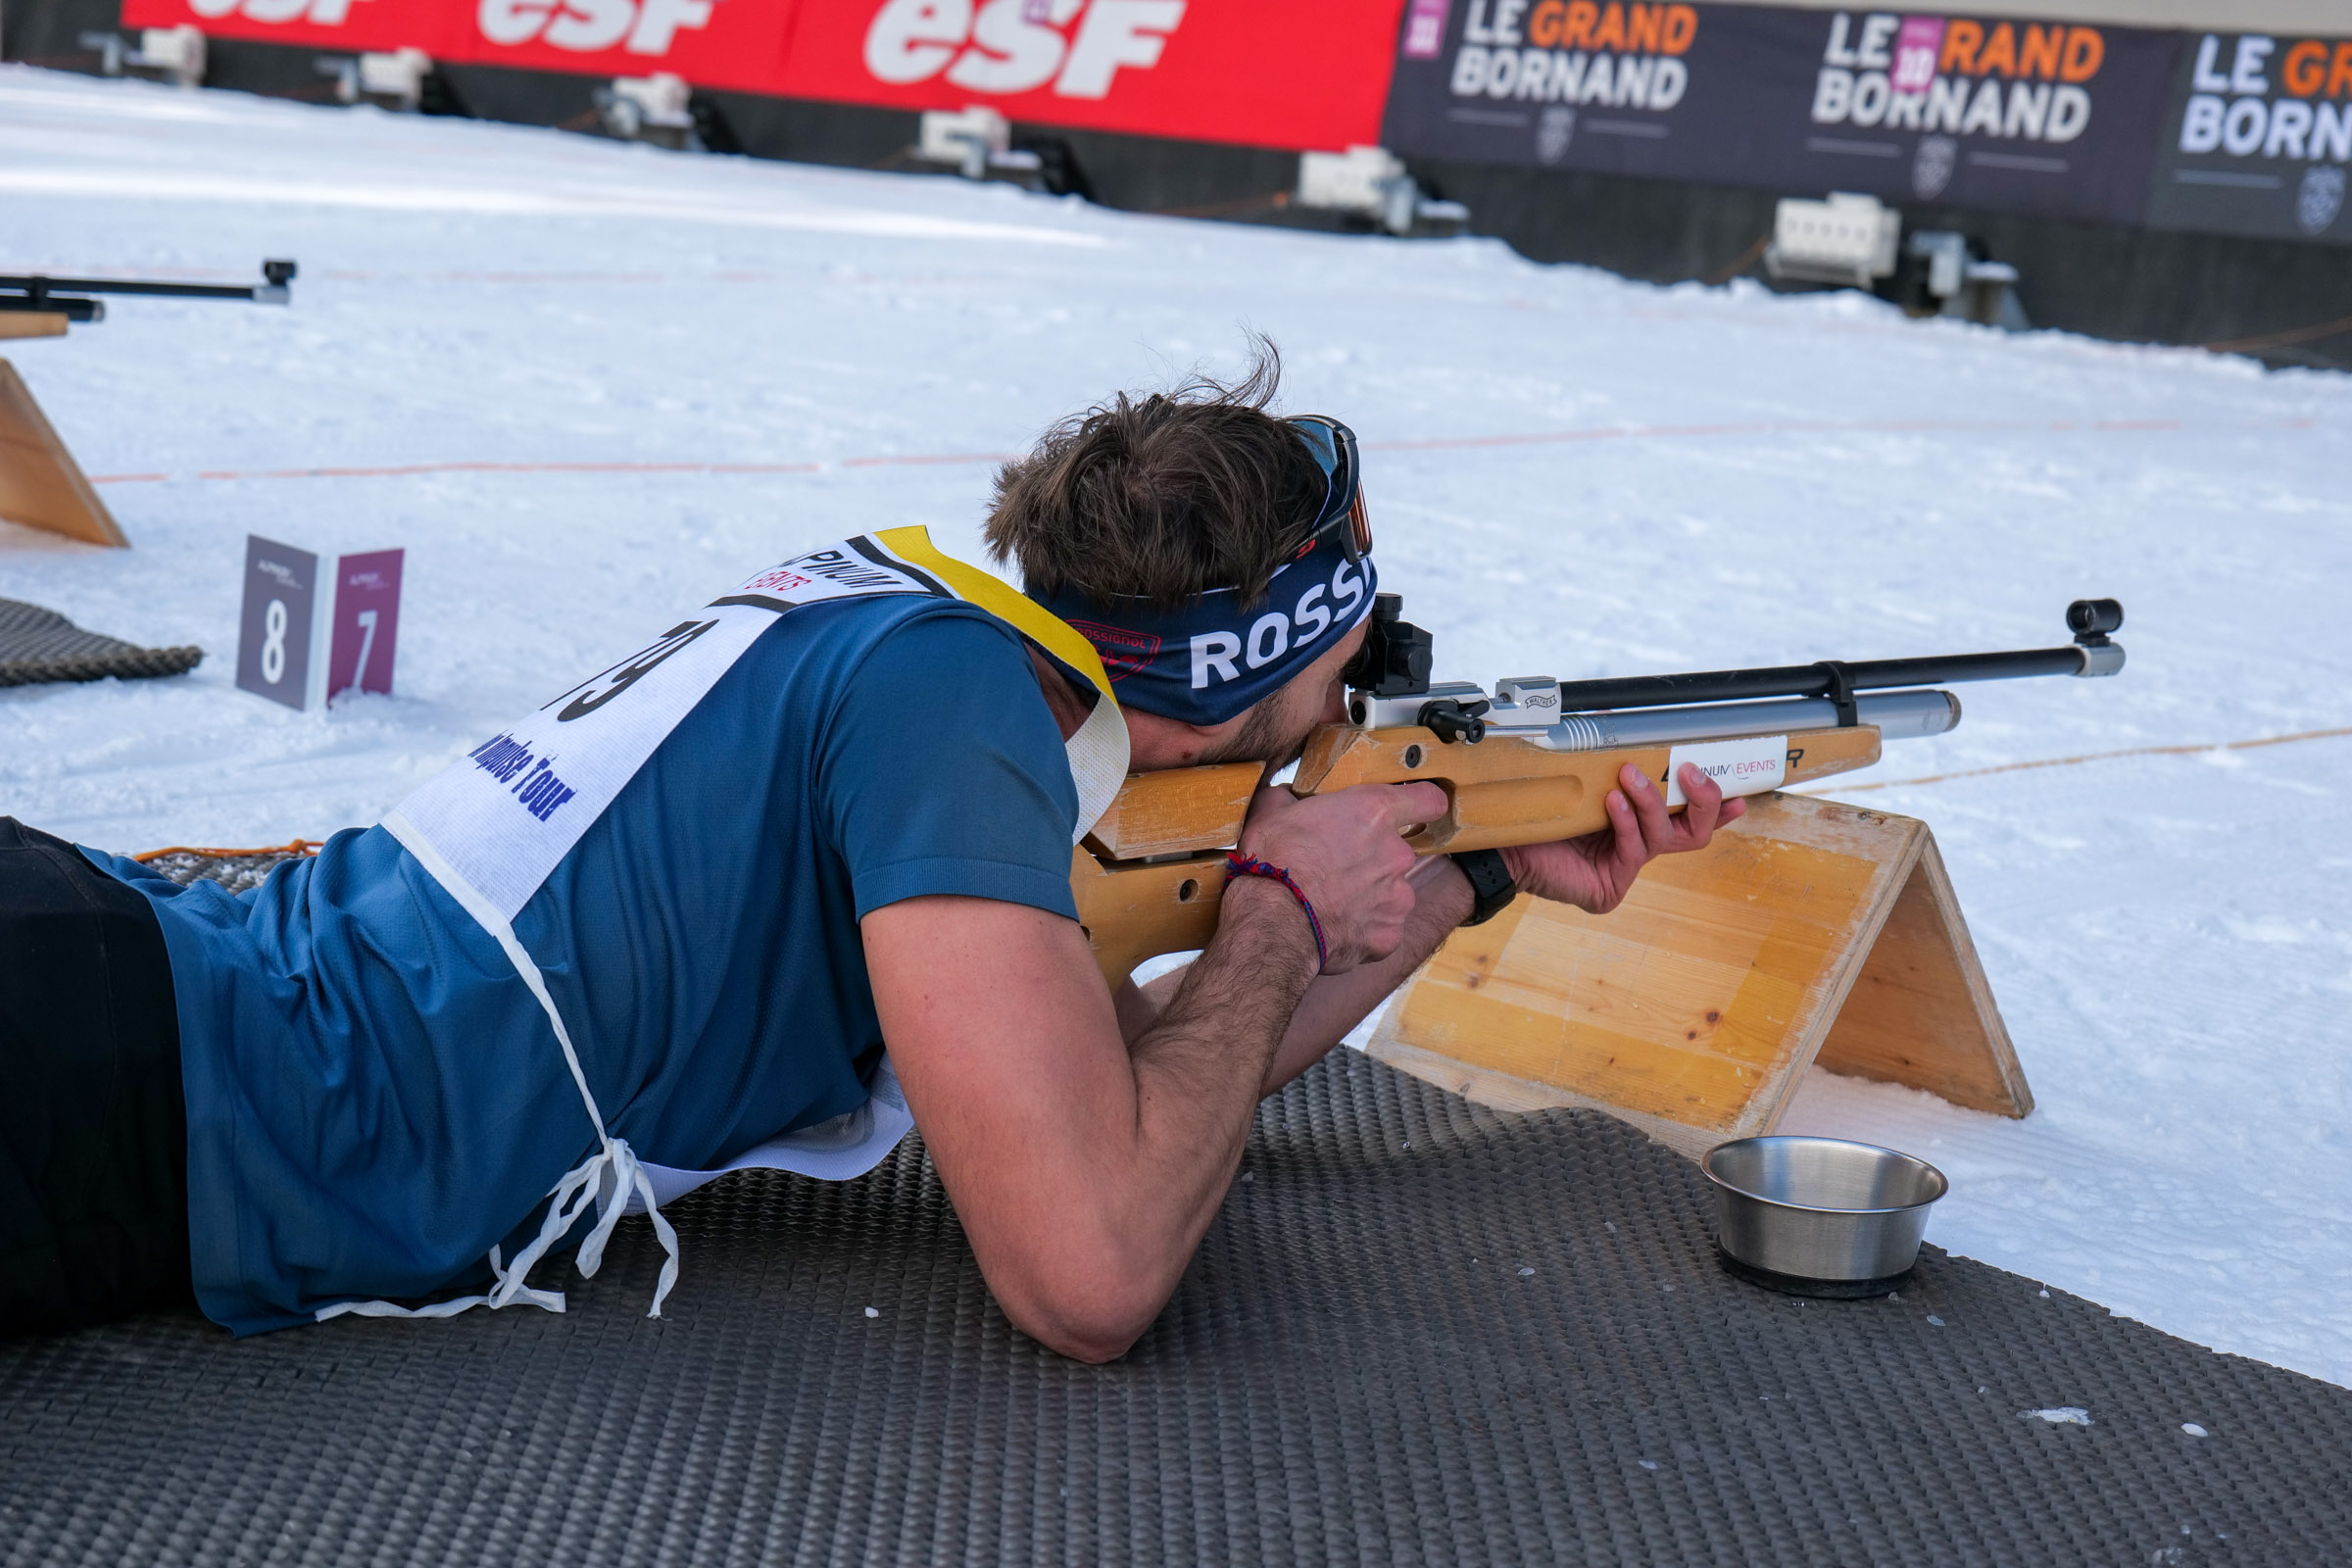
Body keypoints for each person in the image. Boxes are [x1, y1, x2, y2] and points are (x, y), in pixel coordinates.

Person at [0, 351, 1740, 1357]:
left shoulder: (925, 634)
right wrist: (1282, 911)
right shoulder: (952, 718)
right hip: (140, 1070)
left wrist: (1456, 879)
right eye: (1352, 658)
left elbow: (1110, 1093)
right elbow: (1090, 1266)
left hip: (139, 984)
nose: (1364, 691)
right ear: (1246, 665)